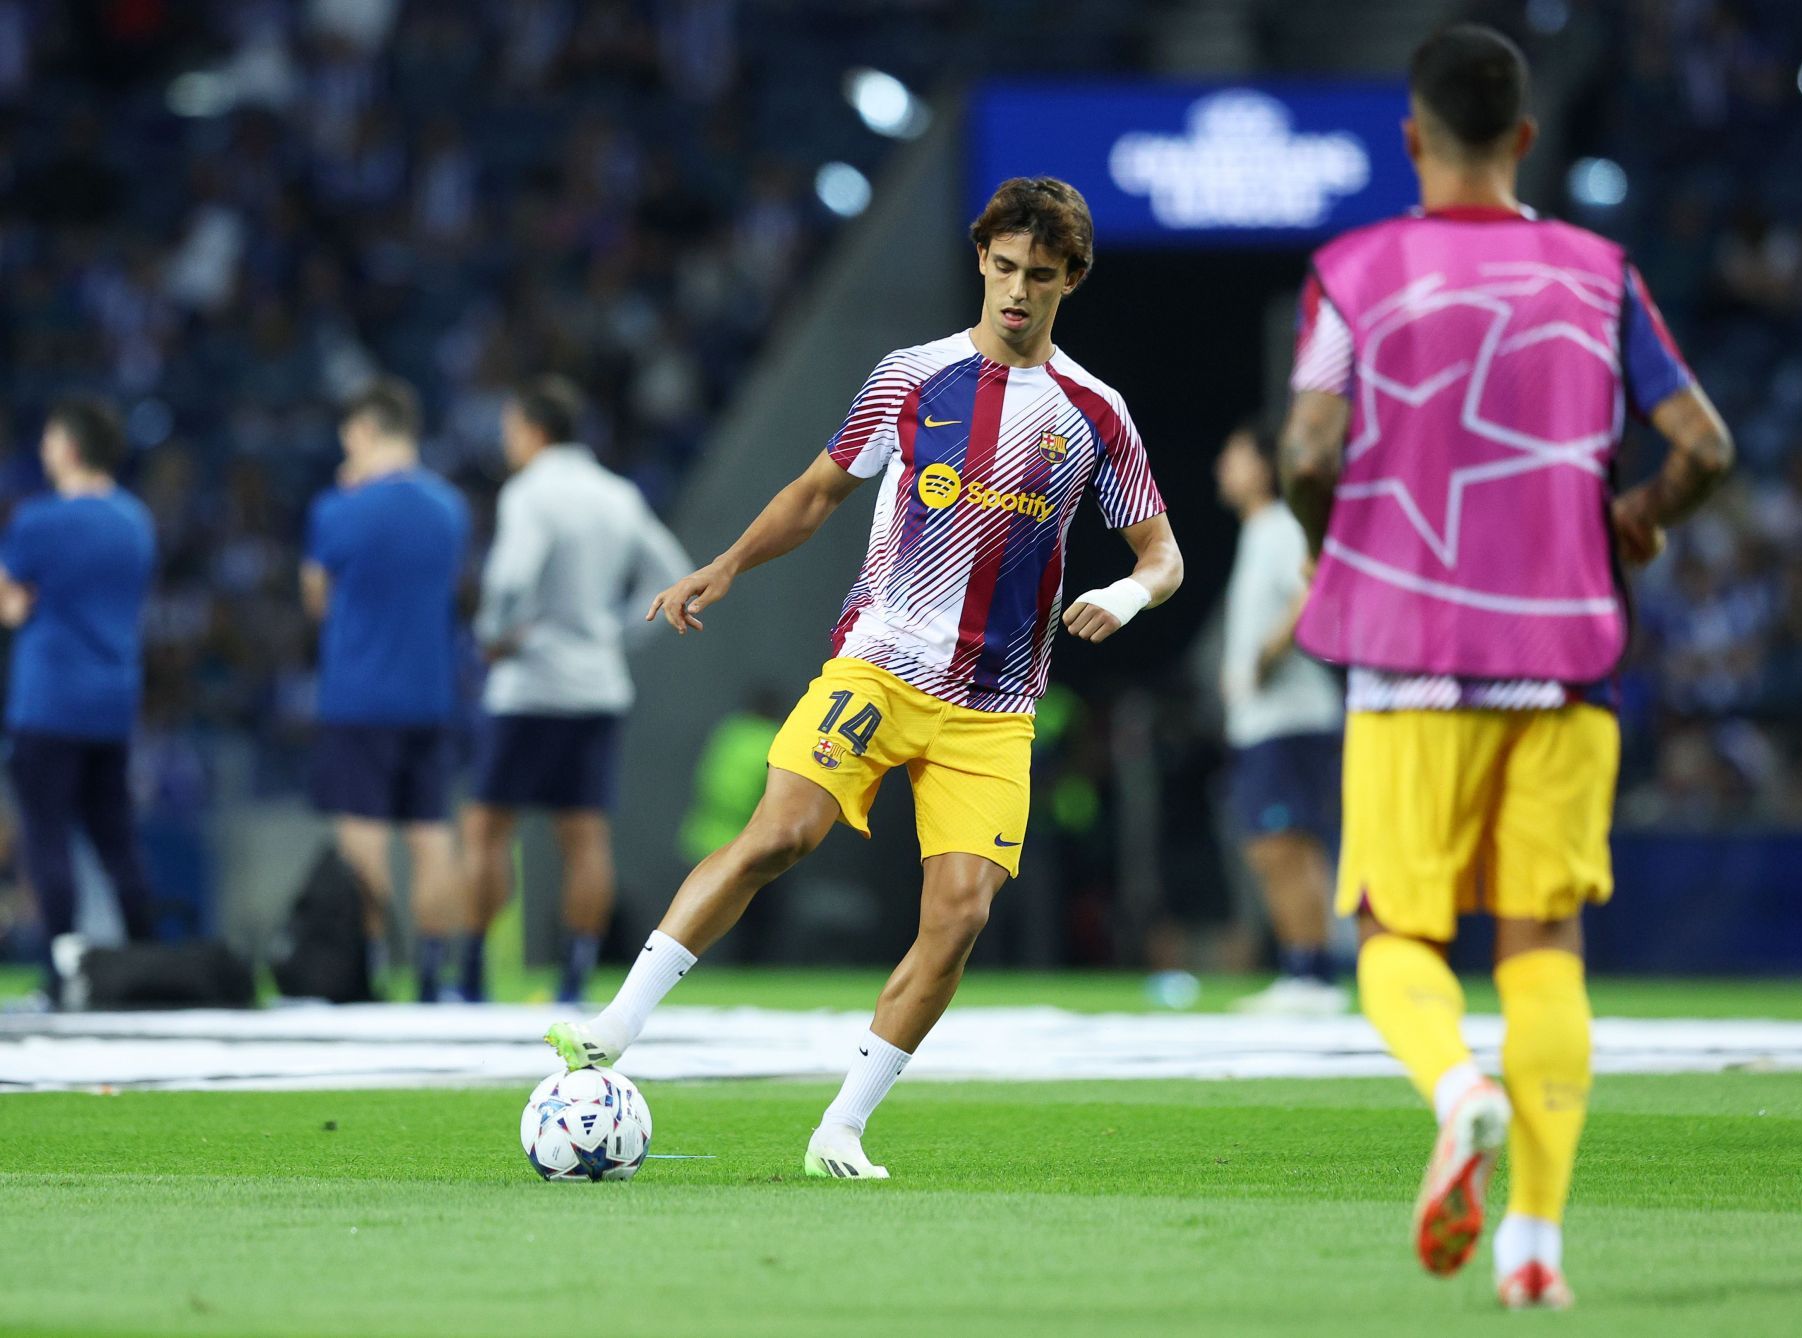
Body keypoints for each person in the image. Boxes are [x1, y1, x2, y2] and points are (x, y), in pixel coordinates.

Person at [545, 176, 1183, 1179]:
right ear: (982, 260)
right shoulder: (913, 377)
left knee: (962, 915)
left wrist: (1131, 598)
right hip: (879, 668)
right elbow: (816, 494)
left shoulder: (1095, 414)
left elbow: (1163, 554)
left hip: (995, 707)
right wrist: (725, 564)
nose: (1019, 293)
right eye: (1006, 268)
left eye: (1042, 278)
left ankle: (841, 1125)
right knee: (778, 834)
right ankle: (615, 1027)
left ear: (1073, 281)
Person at [1278, 26, 1734, 1310]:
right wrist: (1641, 517)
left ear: (1411, 139)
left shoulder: (1352, 274)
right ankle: (1535, 1248)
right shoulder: (1601, 273)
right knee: (1545, 944)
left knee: (1393, 933)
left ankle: (1456, 1086)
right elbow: (1706, 446)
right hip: (1566, 663)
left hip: (1410, 661)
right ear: (1526, 140)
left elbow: (1309, 449)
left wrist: (1340, 553)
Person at [464, 375, 692, 1004]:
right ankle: (576, 975)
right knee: (585, 836)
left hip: (530, 685)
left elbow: (511, 576)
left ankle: (471, 972)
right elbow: (671, 572)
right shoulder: (617, 495)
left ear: (533, 429)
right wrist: (614, 633)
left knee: (487, 828)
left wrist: (493, 634)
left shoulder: (531, 493)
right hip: (596, 685)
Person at [303, 377, 471, 1000]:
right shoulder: (450, 507)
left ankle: (369, 966)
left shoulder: (339, 508)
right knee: (432, 835)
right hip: (430, 693)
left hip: (359, 696)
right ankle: (434, 972)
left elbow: (316, 598)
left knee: (364, 835)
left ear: (367, 431)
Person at [0, 399, 157, 1005]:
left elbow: (12, 607)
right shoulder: (136, 520)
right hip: (113, 701)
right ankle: (147, 962)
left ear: (67, 447)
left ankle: (62, 972)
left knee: (48, 839)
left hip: (48, 701)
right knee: (117, 837)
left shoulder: (39, 522)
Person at [1214, 419, 1347, 1015]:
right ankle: (1305, 969)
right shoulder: (1255, 533)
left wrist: (1266, 657)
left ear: (1263, 468)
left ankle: (1312, 974)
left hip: (1291, 716)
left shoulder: (1276, 528)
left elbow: (1313, 588)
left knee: (1287, 844)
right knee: (1272, 846)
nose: (1226, 467)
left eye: (1237, 454)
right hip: (1265, 721)